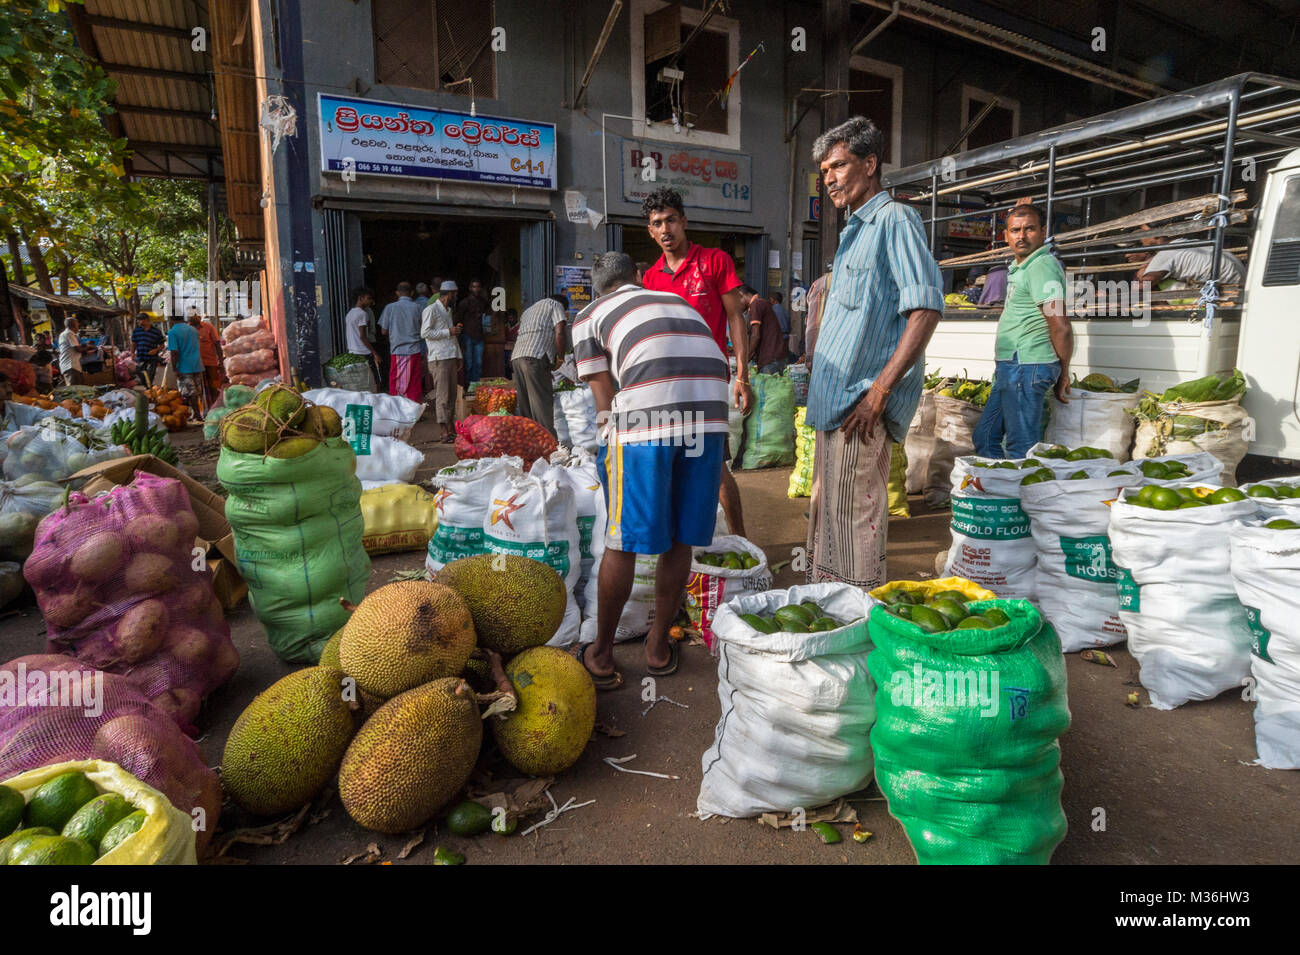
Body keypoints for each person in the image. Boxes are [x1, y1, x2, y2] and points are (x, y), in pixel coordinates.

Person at [573, 252, 730, 689]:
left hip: (647, 424)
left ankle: (601, 654)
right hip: (711, 416)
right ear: (639, 277)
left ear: (597, 288)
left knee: (622, 540)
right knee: (680, 536)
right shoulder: (674, 300)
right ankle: (658, 647)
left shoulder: (589, 315)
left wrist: (608, 443)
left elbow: (604, 396)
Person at [804, 116, 944, 589]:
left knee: (854, 517)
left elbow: (924, 308)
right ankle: (830, 605)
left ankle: (859, 616)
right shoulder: (853, 232)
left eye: (838, 166)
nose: (830, 180)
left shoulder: (895, 220)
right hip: (834, 405)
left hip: (861, 403)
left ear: (870, 163)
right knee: (830, 517)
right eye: (824, 172)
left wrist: (880, 391)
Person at [639, 186, 752, 538]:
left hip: (707, 382)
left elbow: (735, 317)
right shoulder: (651, 277)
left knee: (713, 466)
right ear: (650, 231)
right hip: (668, 385)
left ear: (684, 221)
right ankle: (686, 542)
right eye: (657, 223)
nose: (665, 229)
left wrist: (742, 376)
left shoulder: (714, 261)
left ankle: (741, 540)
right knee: (672, 462)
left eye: (671, 220)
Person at [972, 203, 1073, 459]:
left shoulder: (1042, 265)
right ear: (1006, 236)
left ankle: (1021, 497)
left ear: (1042, 231)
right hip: (1012, 366)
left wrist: (1063, 372)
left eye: (1029, 229)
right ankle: (999, 494)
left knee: (1021, 446)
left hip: (1027, 364)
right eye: (1015, 230)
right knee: (985, 436)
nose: (1021, 236)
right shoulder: (1023, 266)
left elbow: (1060, 325)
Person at [511, 294, 568, 437]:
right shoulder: (555, 305)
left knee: (525, 405)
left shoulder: (529, 310)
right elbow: (560, 331)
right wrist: (560, 358)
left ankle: (528, 441)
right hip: (534, 356)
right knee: (541, 403)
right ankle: (548, 443)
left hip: (517, 357)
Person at [1131, 226, 1247, 289]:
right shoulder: (1190, 243)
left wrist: (1144, 267)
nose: (1141, 238)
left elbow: (1141, 287)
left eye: (1142, 232)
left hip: (1227, 294)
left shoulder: (1166, 254)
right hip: (1239, 288)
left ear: (1154, 233)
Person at [421, 280, 462, 443]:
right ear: (449, 294)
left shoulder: (448, 310)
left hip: (450, 355)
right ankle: (443, 430)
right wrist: (448, 331)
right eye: (455, 294)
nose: (456, 296)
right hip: (439, 357)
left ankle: (450, 428)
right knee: (443, 395)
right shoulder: (431, 310)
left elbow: (452, 336)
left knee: (451, 395)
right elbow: (425, 333)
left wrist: (458, 354)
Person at [378, 281, 425, 402]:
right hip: (414, 349)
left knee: (396, 382)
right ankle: (414, 411)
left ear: (397, 293)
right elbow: (424, 329)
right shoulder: (418, 308)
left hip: (397, 350)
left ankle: (397, 410)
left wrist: (396, 331)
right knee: (414, 382)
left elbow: (383, 331)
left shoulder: (390, 307)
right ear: (412, 293)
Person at [740, 286, 787, 375]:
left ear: (741, 295)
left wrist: (746, 359)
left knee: (768, 387)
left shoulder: (756, 304)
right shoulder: (760, 303)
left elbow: (755, 336)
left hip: (771, 359)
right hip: (774, 358)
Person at [166, 313, 205, 416]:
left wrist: (175, 369)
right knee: (197, 391)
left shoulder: (173, 332)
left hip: (184, 366)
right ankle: (197, 413)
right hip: (197, 364)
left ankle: (197, 415)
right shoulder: (193, 330)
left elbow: (174, 352)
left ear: (171, 319)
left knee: (189, 392)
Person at [344, 287, 382, 390]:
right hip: (364, 353)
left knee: (360, 383)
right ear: (360, 298)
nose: (370, 301)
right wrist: (375, 353)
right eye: (368, 298)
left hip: (352, 352)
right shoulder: (363, 314)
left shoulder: (349, 314)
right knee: (375, 382)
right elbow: (363, 337)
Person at [454, 279, 488, 390]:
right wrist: (459, 337)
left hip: (479, 337)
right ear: (470, 288)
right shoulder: (464, 303)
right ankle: (467, 387)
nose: (476, 289)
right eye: (474, 287)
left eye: (478, 287)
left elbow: (488, 315)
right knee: (468, 364)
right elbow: (458, 320)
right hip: (467, 336)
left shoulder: (483, 302)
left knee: (478, 364)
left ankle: (475, 388)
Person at [191, 312, 224, 407]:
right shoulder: (187, 330)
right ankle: (203, 409)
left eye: (195, 315)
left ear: (199, 316)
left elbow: (217, 344)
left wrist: (221, 362)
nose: (194, 317)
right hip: (194, 364)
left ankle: (216, 407)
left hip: (210, 362)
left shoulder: (209, 327)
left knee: (213, 386)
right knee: (198, 388)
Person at [131, 313, 165, 386]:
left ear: (146, 320)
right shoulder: (136, 331)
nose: (138, 322)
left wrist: (156, 350)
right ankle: (147, 388)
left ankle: (149, 391)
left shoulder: (156, 331)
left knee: (150, 377)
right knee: (140, 374)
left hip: (152, 358)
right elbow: (134, 343)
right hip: (140, 357)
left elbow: (162, 345)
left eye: (139, 320)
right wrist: (132, 353)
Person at [57, 317, 93, 386]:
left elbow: (76, 348)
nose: (78, 327)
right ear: (73, 325)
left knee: (79, 387)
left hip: (73, 366)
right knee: (75, 389)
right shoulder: (69, 334)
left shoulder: (67, 334)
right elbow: (78, 349)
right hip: (70, 366)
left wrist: (85, 345)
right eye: (77, 325)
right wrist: (89, 347)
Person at [769, 291, 793, 360]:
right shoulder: (786, 311)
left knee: (775, 359)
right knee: (783, 358)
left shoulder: (772, 310)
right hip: (785, 338)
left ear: (773, 300)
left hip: (776, 338)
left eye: (770, 299)